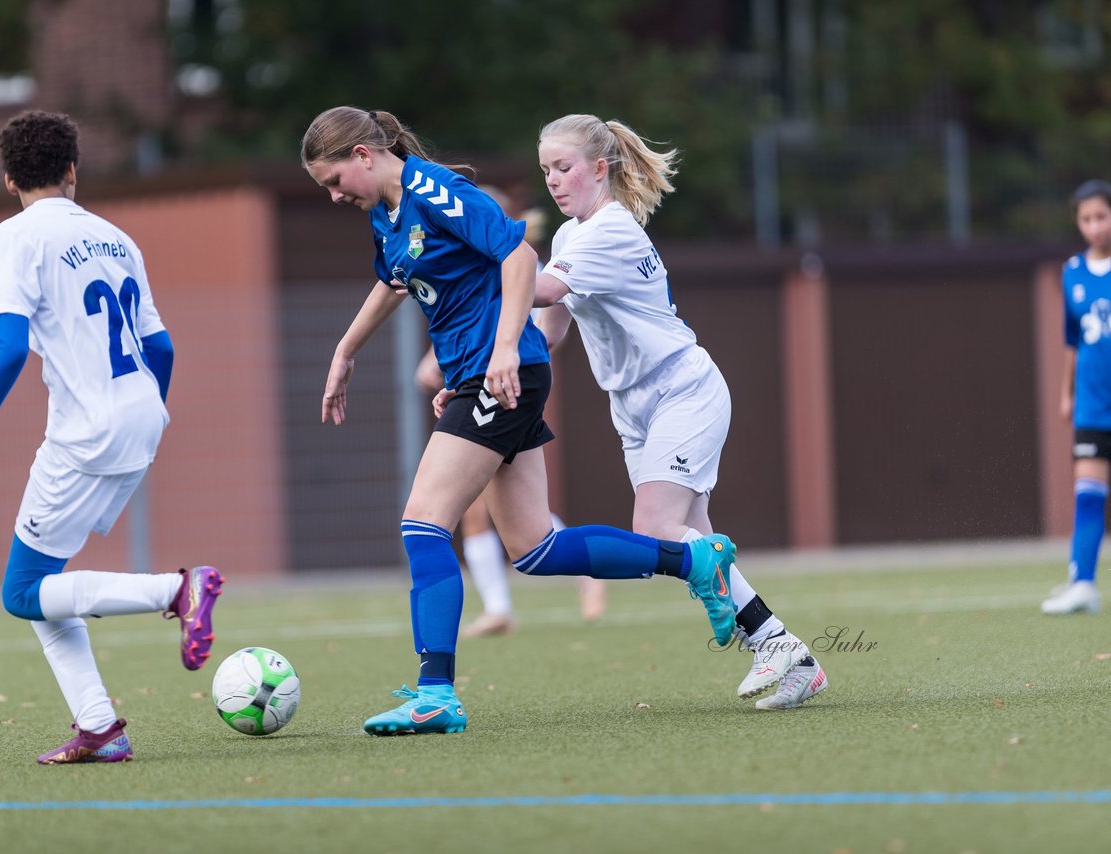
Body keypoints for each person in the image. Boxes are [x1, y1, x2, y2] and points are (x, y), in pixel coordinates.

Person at [301, 106, 738, 736]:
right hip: (485, 374)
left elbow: (518, 258)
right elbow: (393, 283)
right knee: (535, 549)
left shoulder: (437, 190)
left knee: (423, 523)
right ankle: (694, 562)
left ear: (364, 155)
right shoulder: (388, 213)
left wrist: (503, 348)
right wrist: (345, 353)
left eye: (335, 179)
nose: (336, 194)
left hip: (500, 374)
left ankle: (435, 694)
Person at [0, 110, 224, 763]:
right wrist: (146, 414)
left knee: (20, 592)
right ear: (73, 170)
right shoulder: (117, 238)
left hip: (85, 430)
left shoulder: (11, 237)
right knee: (44, 586)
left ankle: (177, 590)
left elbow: (9, 348)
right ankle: (100, 728)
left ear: (9, 177)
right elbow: (162, 345)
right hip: (143, 412)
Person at [530, 114, 827, 710]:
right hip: (635, 406)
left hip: (681, 391)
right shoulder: (568, 239)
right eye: (546, 172)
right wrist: (494, 367)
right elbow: (549, 329)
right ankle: (785, 651)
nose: (554, 182)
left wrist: (471, 260)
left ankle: (779, 648)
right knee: (695, 538)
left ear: (599, 168)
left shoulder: (608, 229)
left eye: (563, 168)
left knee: (659, 533)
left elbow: (539, 292)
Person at [413, 188, 606, 637]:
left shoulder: (517, 261)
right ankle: (501, 606)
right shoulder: (476, 259)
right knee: (490, 513)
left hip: (508, 382)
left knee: (493, 515)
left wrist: (500, 359)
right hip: (485, 379)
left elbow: (537, 322)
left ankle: (579, 577)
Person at [1043, 178, 1111, 616]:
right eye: (1085, 219)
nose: (1094, 226)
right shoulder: (1072, 272)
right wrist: (1065, 392)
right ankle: (1083, 583)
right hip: (1091, 402)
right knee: (1088, 494)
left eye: (1101, 216)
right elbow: (1073, 341)